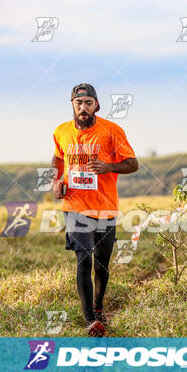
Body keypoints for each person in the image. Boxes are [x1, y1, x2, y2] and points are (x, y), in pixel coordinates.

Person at [51, 83, 138, 337]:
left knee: (102, 263)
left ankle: (99, 309)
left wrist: (108, 166)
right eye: (79, 103)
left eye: (89, 103)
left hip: (105, 207)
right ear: (72, 105)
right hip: (75, 206)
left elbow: (133, 164)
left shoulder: (111, 131)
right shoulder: (61, 132)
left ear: (96, 105)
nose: (84, 107)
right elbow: (57, 158)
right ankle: (90, 320)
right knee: (83, 257)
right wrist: (56, 181)